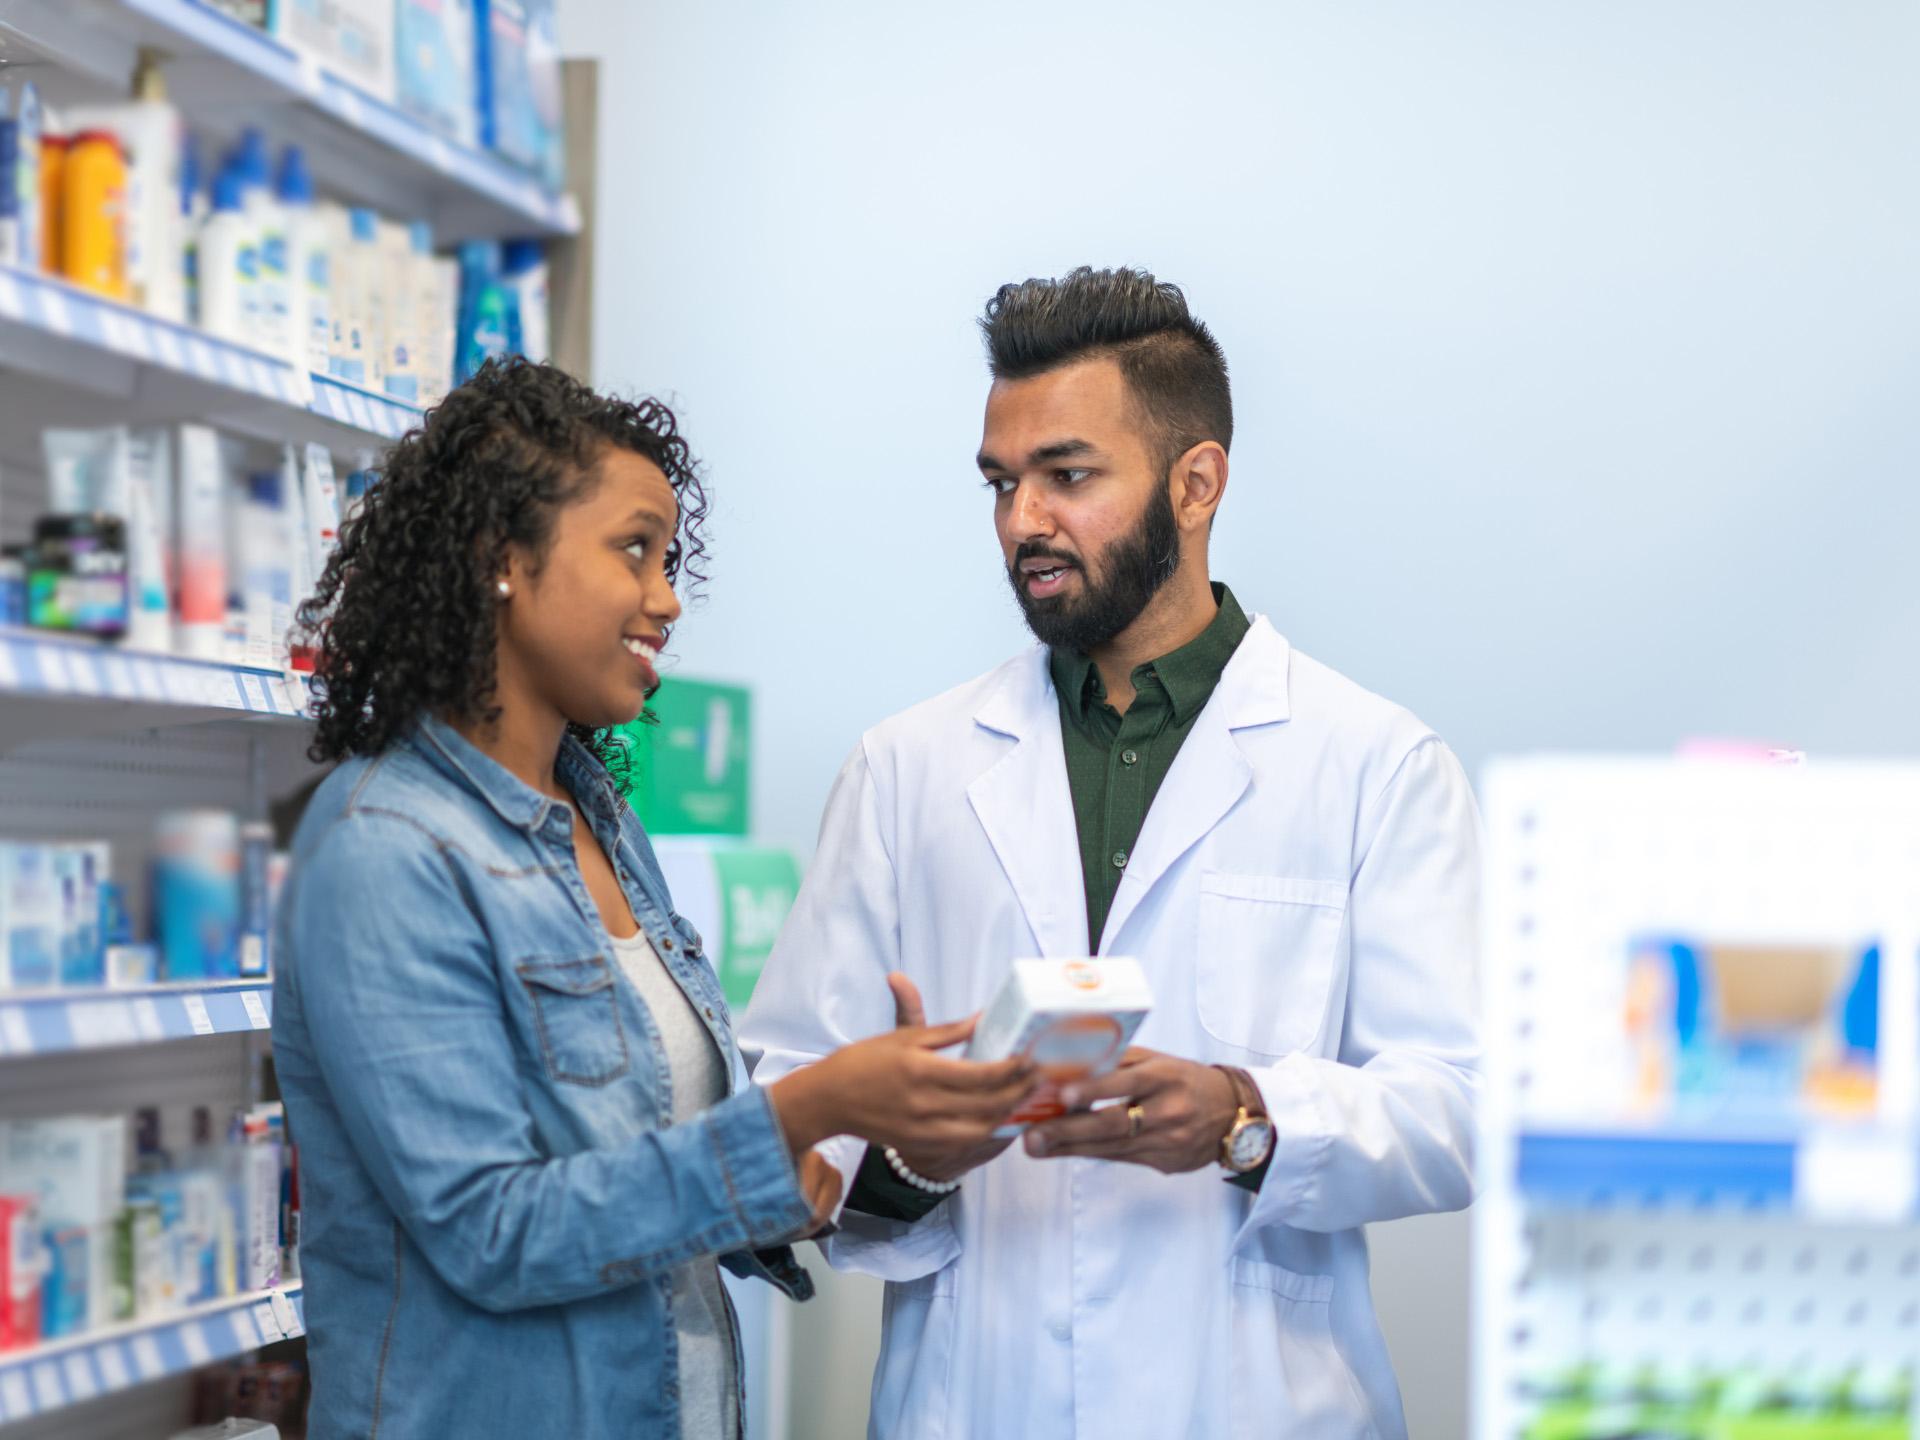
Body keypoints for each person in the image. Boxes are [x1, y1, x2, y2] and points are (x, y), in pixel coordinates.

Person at [742, 267, 1481, 1439]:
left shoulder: (1373, 762)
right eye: (1002, 482)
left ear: (1197, 485)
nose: (1022, 521)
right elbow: (789, 1088)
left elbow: (1459, 1105)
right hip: (976, 1400)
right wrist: (914, 1155)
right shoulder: (908, 766)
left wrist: (1245, 1114)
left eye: (1068, 476)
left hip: (1251, 1404)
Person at [270, 357, 1031, 1440]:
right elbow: (497, 1230)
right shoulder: (384, 849)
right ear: (502, 558)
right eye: (634, 551)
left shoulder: (604, 826)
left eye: (671, 559)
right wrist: (810, 1109)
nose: (667, 599)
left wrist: (885, 1150)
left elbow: (651, 1170)